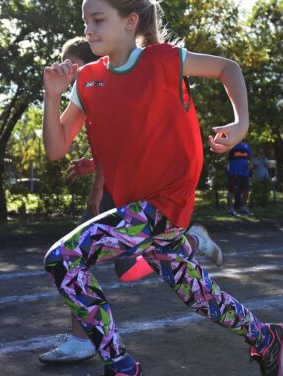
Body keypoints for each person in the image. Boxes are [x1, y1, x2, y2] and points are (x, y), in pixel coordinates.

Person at [41, 1, 283, 375]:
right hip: (141, 208)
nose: (88, 30)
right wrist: (52, 94)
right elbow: (57, 149)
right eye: (85, 22)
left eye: (97, 20)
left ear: (130, 22)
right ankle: (264, 337)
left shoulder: (162, 60)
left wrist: (240, 125)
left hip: (166, 201)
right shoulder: (88, 80)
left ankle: (121, 366)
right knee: (199, 295)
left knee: (63, 259)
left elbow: (227, 68)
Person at [39, 36, 224, 365]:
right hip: (123, 185)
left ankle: (192, 242)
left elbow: (137, 139)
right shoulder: (88, 88)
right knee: (99, 265)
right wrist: (93, 163)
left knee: (85, 260)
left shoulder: (121, 75)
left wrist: (98, 186)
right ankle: (83, 338)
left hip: (139, 190)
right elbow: (104, 143)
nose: (68, 69)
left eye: (74, 64)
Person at [227, 141, 254, 216]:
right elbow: (226, 154)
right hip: (234, 172)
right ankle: (230, 209)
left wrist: (250, 165)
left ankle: (243, 208)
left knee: (246, 190)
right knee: (232, 191)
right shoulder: (231, 144)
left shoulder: (246, 145)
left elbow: (251, 158)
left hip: (244, 173)